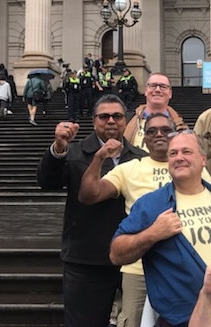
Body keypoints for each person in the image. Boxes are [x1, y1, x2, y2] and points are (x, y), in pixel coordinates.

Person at [80, 113, 211, 327]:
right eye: (151, 131)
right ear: (144, 138)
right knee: (132, 321)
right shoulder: (128, 168)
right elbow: (89, 195)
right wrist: (99, 157)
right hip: (138, 269)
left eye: (165, 130)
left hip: (183, 267)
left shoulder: (194, 166)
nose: (158, 134)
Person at [110, 131, 211, 327]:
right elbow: (116, 254)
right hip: (181, 319)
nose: (179, 158)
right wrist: (152, 234)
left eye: (186, 151)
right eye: (173, 153)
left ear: (203, 159)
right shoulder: (152, 204)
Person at [37, 94, 146, 327]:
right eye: (103, 116)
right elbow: (48, 181)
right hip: (86, 260)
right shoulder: (75, 153)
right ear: (94, 121)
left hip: (131, 261)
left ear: (125, 121)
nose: (110, 121)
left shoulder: (140, 158)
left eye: (117, 116)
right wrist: (58, 148)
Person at [122, 72, 188, 151]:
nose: (157, 90)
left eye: (163, 86)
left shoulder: (181, 125)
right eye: (153, 86)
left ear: (170, 93)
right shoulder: (128, 121)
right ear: (146, 91)